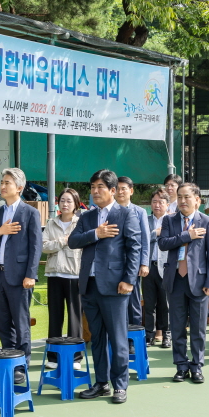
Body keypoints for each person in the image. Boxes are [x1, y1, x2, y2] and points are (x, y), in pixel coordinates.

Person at [69, 169, 142, 404]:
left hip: (115, 287)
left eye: (100, 187)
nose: (95, 191)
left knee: (118, 338)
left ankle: (120, 385)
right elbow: (73, 241)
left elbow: (134, 248)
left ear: (112, 190)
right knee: (97, 338)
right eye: (92, 187)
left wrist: (129, 280)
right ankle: (101, 383)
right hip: (89, 286)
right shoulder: (88, 217)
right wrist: (96, 233)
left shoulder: (125, 214)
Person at [0, 168, 42, 383]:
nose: (3, 186)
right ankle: (7, 362)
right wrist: (0, 232)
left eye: (7, 182)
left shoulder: (30, 212)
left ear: (19, 188)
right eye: (2, 182)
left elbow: (36, 246)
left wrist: (31, 275)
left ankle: (21, 367)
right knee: (4, 322)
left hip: (20, 276)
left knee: (21, 322)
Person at [158, 183, 209, 383]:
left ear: (197, 200)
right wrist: (187, 235)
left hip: (199, 282)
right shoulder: (169, 220)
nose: (182, 201)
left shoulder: (207, 221)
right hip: (175, 280)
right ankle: (181, 366)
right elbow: (163, 243)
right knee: (177, 326)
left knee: (199, 328)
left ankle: (197, 366)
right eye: (180, 197)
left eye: (187, 197)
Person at [42, 188, 84, 369]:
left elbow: (83, 245)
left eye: (69, 201)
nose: (65, 204)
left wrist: (64, 242)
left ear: (75, 204)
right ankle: (53, 356)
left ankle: (75, 357)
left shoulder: (81, 223)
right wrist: (62, 241)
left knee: (75, 317)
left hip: (75, 274)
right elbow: (44, 246)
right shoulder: (51, 223)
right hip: (54, 274)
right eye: (62, 201)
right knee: (55, 316)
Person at [117, 176, 150, 329]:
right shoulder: (111, 210)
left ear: (131, 191)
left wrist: (144, 263)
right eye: (117, 188)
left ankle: (133, 339)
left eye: (123, 188)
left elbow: (145, 238)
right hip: (113, 264)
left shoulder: (140, 212)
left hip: (133, 265)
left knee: (133, 303)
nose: (120, 192)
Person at [143, 187, 171, 346]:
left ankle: (167, 334)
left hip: (166, 267)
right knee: (149, 303)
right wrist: (156, 233)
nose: (157, 205)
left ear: (167, 204)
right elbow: (142, 240)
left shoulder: (172, 220)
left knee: (165, 303)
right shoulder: (145, 220)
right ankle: (149, 335)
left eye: (161, 202)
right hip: (148, 267)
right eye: (154, 202)